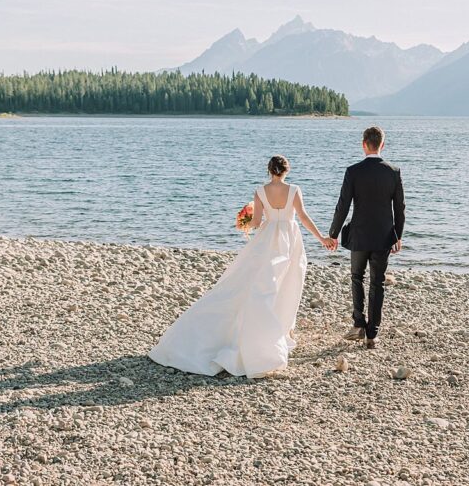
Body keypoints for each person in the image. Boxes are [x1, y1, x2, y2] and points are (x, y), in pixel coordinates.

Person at [148, 155, 332, 378]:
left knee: (256, 282)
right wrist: (322, 238)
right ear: (286, 170)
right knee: (287, 282)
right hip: (289, 239)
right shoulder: (294, 189)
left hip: (267, 238)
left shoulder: (261, 191)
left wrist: (242, 222)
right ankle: (277, 330)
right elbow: (302, 217)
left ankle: (273, 329)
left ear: (269, 170)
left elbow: (256, 223)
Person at [328, 126, 405, 349]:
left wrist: (333, 234)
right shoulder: (393, 171)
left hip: (360, 235)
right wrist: (398, 236)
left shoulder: (353, 171)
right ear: (382, 144)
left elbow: (342, 206)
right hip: (383, 236)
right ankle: (373, 335)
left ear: (364, 145)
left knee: (356, 277)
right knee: (377, 283)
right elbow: (399, 208)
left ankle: (359, 324)